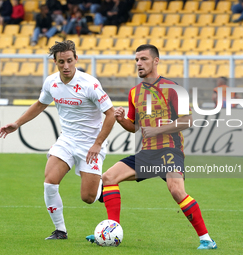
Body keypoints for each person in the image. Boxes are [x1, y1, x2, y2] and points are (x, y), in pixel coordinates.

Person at [85, 44, 217, 250]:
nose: (139, 63)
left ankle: (206, 239)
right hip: (147, 153)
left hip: (170, 150)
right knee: (108, 178)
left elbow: (188, 120)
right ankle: (111, 230)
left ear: (156, 61)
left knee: (176, 191)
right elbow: (135, 127)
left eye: (144, 59)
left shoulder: (174, 89)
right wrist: (121, 120)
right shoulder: (134, 93)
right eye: (136, 59)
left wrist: (157, 131)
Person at [0, 40, 115, 240]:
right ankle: (60, 230)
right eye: (61, 62)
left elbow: (110, 114)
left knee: (87, 198)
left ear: (76, 59)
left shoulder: (90, 84)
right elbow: (39, 104)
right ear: (55, 62)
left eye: (70, 61)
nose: (66, 66)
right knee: (49, 183)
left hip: (90, 144)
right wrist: (17, 124)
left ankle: (102, 188)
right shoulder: (51, 82)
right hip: (67, 140)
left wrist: (97, 144)